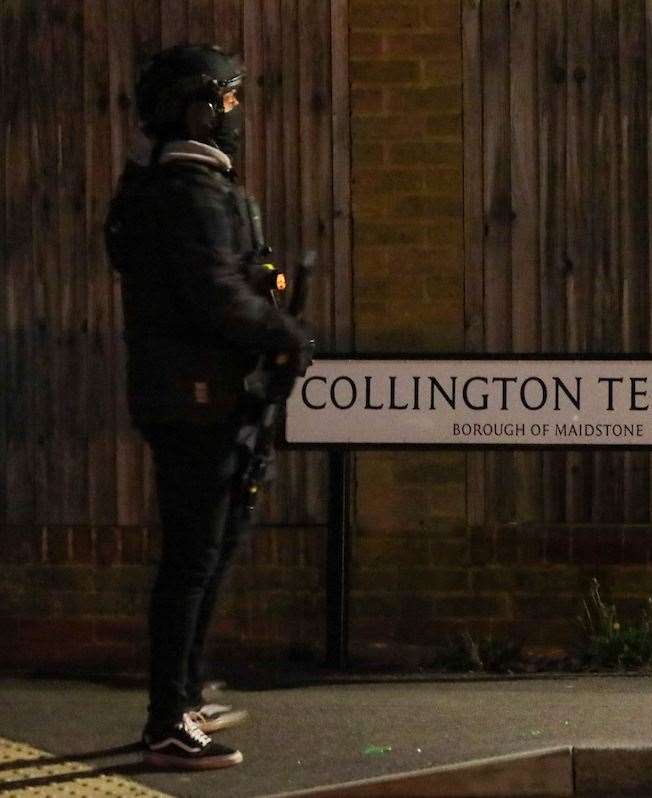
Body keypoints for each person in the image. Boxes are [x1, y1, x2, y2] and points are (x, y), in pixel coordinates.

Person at [105, 44, 313, 770]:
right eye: (227, 100)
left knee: (209, 554)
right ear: (197, 108)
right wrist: (285, 333)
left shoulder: (179, 187)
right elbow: (217, 295)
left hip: (204, 399)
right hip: (199, 403)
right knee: (193, 561)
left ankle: (184, 694)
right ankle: (168, 719)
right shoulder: (189, 192)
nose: (235, 114)